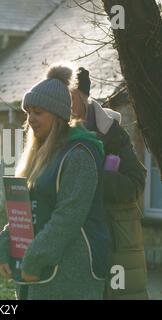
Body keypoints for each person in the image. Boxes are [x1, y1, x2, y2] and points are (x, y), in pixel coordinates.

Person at [0, 63, 109, 299]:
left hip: (70, 275)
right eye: (28, 112)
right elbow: (24, 212)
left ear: (57, 115)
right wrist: (3, 246)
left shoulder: (79, 154)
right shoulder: (41, 155)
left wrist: (34, 259)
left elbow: (68, 216)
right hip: (36, 269)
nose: (30, 119)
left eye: (38, 112)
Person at [72, 67, 149, 299]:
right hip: (74, 244)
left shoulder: (113, 134)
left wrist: (96, 177)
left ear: (84, 96)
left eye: (70, 96)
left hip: (115, 241)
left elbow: (136, 182)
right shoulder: (54, 132)